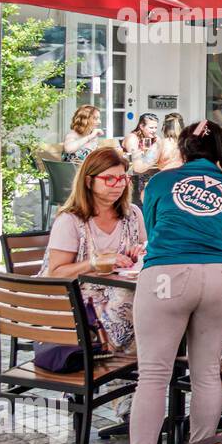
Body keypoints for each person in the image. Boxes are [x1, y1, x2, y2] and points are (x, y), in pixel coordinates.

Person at [128, 121, 222, 444]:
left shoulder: (159, 182)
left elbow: (155, 234)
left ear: (183, 149)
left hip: (166, 276)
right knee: (206, 371)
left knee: (154, 375)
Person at [41, 148, 147, 352]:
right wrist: (94, 263)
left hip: (117, 294)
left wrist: (139, 252)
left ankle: (149, 367)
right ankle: (112, 355)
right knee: (138, 301)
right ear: (89, 182)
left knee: (164, 297)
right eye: (109, 179)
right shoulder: (71, 220)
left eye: (123, 178)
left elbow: (145, 249)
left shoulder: (132, 215)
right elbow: (55, 273)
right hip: (74, 304)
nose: (118, 185)